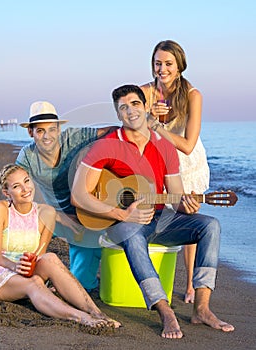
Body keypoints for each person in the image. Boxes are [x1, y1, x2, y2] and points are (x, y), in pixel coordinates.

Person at [71, 84, 234, 339]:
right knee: (132, 234)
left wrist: (187, 204)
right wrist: (121, 213)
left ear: (146, 107)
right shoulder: (106, 146)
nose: (130, 111)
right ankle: (164, 310)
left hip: (160, 218)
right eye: (123, 107)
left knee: (210, 226)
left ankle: (201, 308)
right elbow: (79, 195)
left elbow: (177, 197)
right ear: (118, 115)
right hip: (119, 222)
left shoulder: (165, 147)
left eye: (135, 104)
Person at [0, 164, 120, 329]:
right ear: (7, 192)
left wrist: (32, 270)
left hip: (24, 269)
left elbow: (40, 255)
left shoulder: (46, 213)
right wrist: (15, 266)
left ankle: (96, 313)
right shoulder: (0, 209)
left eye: (27, 181)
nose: (25, 189)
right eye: (17, 186)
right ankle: (81, 317)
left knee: (50, 258)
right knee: (34, 283)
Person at [15, 101, 118, 292]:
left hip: (85, 216)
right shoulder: (27, 155)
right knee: (21, 237)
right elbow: (18, 192)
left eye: (52, 130)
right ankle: (34, 277)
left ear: (59, 129)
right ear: (31, 132)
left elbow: (114, 131)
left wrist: (89, 152)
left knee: (82, 285)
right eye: (40, 131)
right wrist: (57, 216)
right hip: (49, 214)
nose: (47, 137)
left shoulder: (75, 137)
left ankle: (74, 274)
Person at [141, 40, 210, 303]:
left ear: (179, 65)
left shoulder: (193, 95)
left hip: (186, 162)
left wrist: (157, 127)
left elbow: (188, 145)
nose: (162, 69)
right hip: (157, 162)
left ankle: (192, 283)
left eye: (168, 63)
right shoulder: (145, 92)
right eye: (158, 63)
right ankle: (149, 271)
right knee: (154, 212)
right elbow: (124, 120)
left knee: (190, 216)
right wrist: (147, 114)